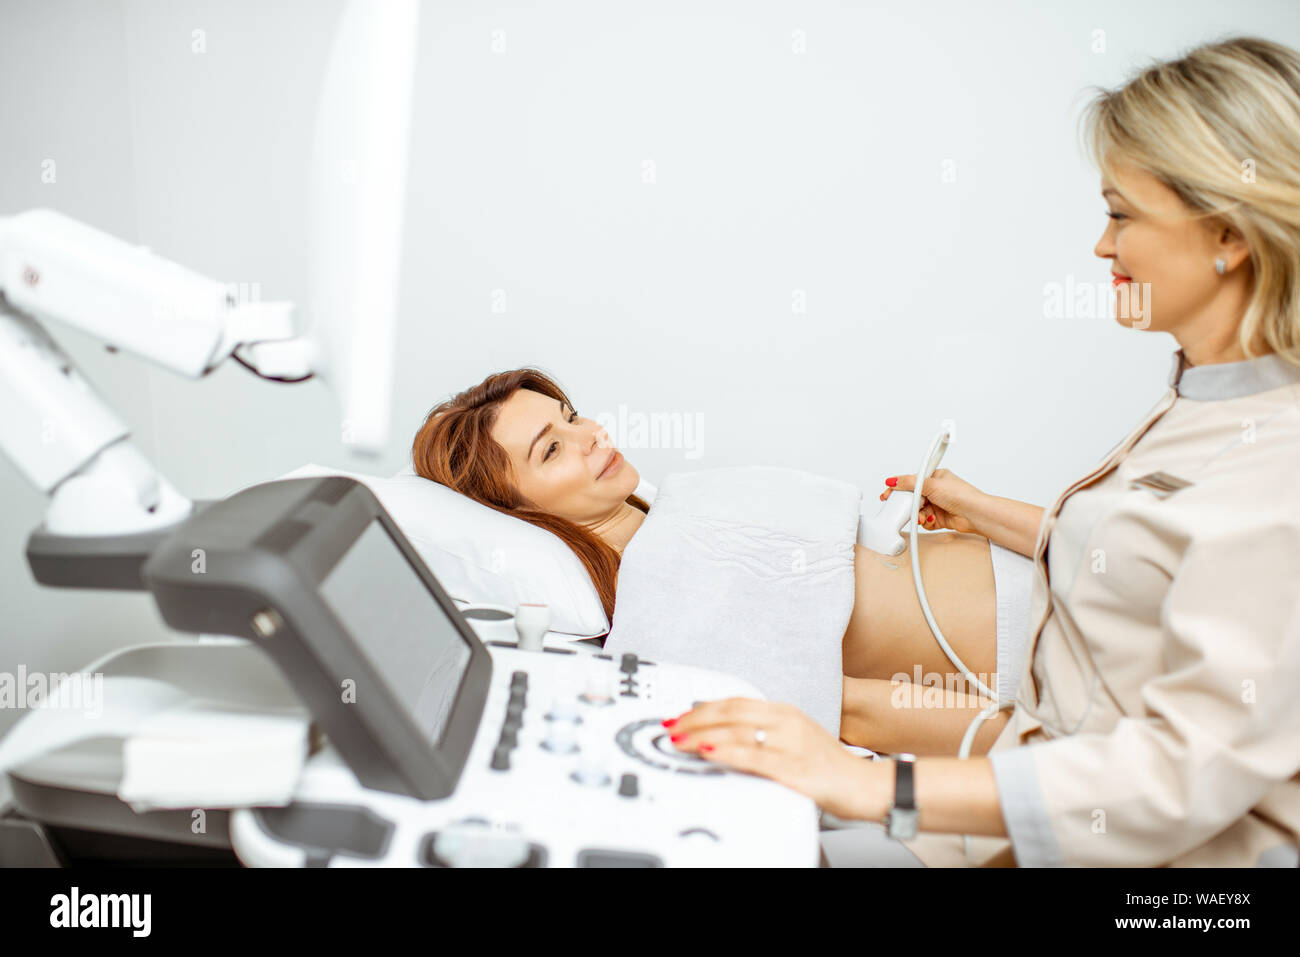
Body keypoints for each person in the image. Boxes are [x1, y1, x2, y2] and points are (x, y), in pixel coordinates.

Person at [666, 35, 1300, 867]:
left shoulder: (1274, 464)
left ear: (1226, 234)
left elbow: (1180, 772)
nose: (1101, 249)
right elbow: (1142, 558)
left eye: (1120, 214)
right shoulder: (1208, 396)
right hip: (1040, 804)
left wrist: (874, 788)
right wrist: (973, 505)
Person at [412, 365, 1031, 756]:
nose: (591, 435)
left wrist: (976, 509)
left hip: (1049, 576)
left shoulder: (680, 508)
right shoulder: (660, 612)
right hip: (1043, 658)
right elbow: (852, 714)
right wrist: (1047, 747)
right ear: (519, 514)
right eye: (553, 450)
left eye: (571, 418)